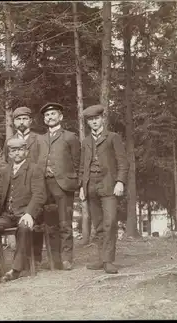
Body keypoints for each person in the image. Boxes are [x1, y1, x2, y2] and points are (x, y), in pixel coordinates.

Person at [0, 138, 46, 288]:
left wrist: (29, 213)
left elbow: (39, 195)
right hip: (8, 215)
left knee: (24, 228)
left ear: (26, 152)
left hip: (26, 214)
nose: (17, 153)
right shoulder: (6, 171)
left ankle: (16, 269)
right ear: (9, 154)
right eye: (13, 151)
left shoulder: (34, 169)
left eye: (20, 149)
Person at [79, 104, 129, 274]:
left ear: (102, 119)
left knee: (110, 222)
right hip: (90, 187)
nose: (94, 122)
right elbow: (82, 166)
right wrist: (81, 186)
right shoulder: (86, 141)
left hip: (109, 186)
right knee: (98, 224)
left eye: (96, 119)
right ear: (88, 123)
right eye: (90, 120)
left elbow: (123, 162)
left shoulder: (112, 137)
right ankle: (101, 258)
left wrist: (120, 181)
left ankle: (108, 260)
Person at [37, 102, 81, 270]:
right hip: (44, 186)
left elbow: (77, 163)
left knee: (65, 223)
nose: (50, 117)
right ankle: (54, 259)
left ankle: (67, 258)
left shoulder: (70, 137)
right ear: (44, 119)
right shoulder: (40, 139)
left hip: (63, 185)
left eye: (53, 114)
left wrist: (76, 183)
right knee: (50, 224)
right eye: (47, 115)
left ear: (60, 117)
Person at [8, 106, 44, 267]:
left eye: (24, 118)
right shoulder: (10, 141)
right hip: (20, 186)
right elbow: (8, 165)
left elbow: (43, 160)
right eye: (18, 119)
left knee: (35, 217)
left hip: (37, 182)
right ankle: (24, 258)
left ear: (30, 121)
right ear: (14, 123)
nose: (21, 122)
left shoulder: (39, 139)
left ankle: (35, 256)